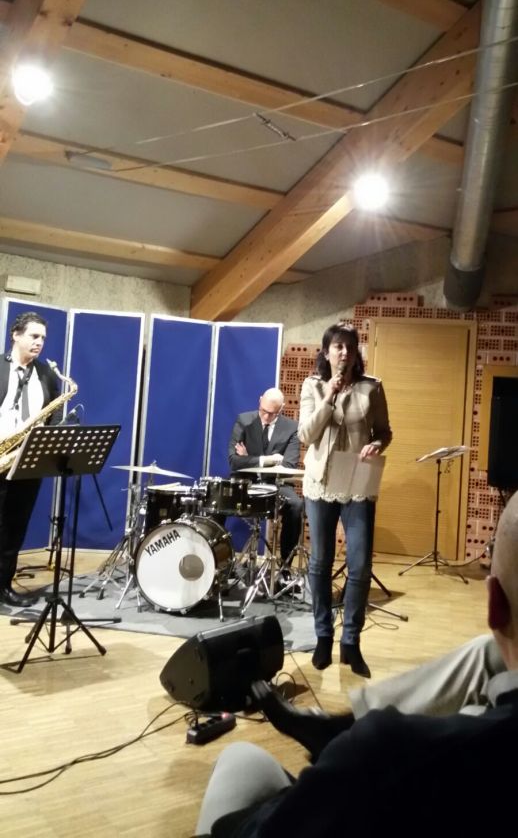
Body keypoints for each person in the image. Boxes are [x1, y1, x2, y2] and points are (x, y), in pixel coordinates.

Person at [195, 491, 518, 837]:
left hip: (341, 796)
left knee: (240, 757)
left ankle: (341, 715)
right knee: (487, 652)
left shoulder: (382, 752)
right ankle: (338, 720)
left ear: (493, 607)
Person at [298, 322, 392, 677]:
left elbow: (384, 432)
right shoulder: (312, 385)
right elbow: (307, 435)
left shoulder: (372, 387)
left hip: (357, 480)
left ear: (356, 353)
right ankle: (323, 636)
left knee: (360, 566)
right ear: (326, 352)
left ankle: (351, 641)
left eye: (350, 347)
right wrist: (329, 396)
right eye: (337, 346)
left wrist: (376, 444)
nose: (344, 352)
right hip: (321, 482)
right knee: (320, 563)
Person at [0, 311, 62, 608]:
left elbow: (54, 416)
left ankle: (3, 586)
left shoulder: (46, 374)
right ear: (15, 335)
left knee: (15, 528)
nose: (39, 343)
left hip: (26, 462)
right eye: (33, 336)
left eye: (43, 338)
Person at [228, 389, 303, 567]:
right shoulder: (244, 420)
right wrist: (267, 460)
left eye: (272, 413)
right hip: (246, 481)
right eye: (263, 411)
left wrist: (248, 458)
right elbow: (234, 461)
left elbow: (289, 466)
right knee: (217, 500)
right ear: (260, 400)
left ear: (282, 408)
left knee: (297, 506)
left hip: (276, 484)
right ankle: (218, 562)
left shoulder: (292, 428)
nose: (267, 417)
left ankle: (285, 565)